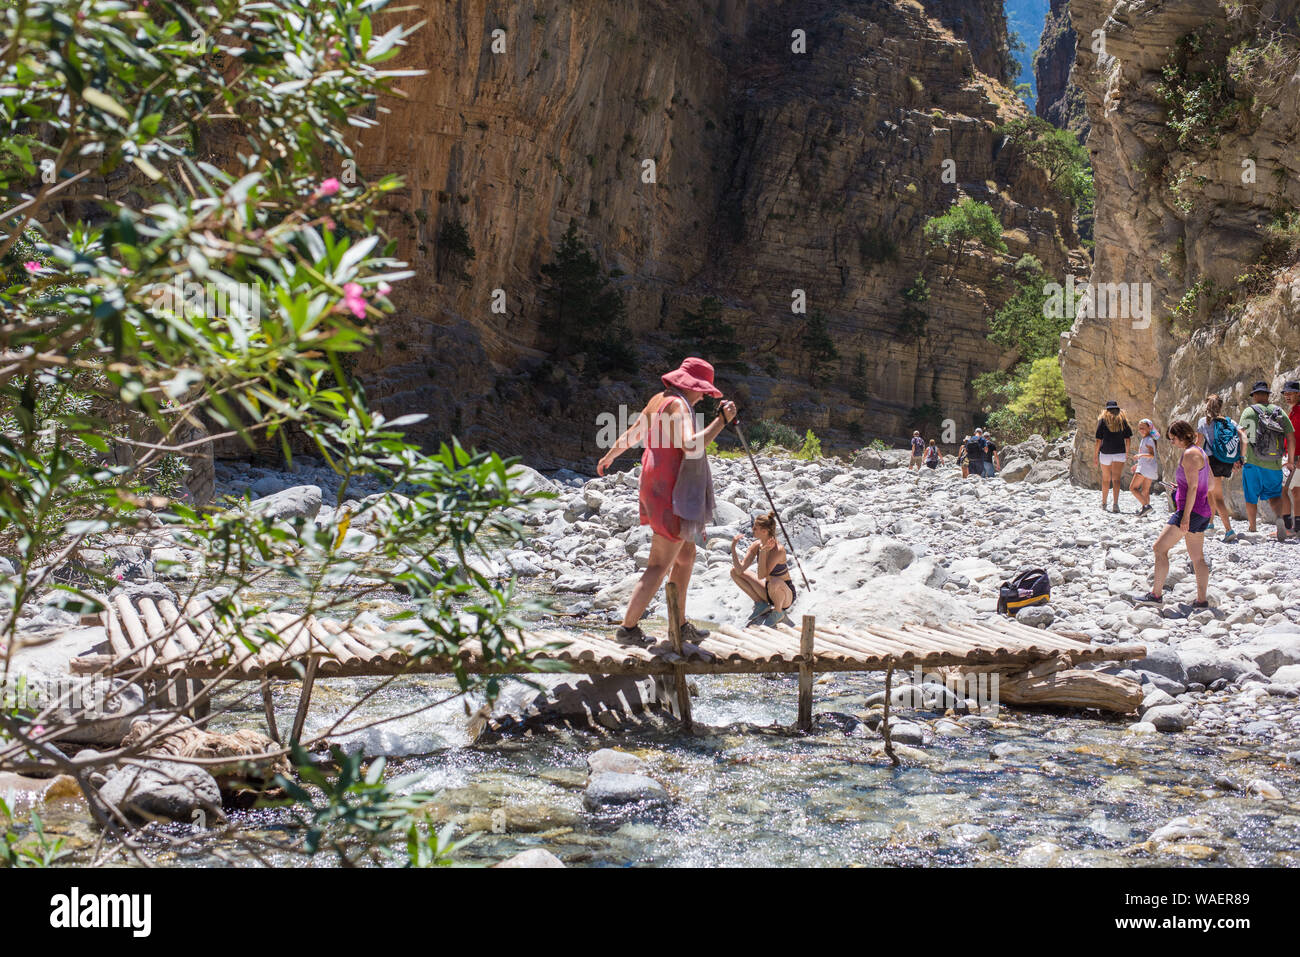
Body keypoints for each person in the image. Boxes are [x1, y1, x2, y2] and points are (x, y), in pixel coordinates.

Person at [596, 357, 737, 644]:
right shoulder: (678, 405)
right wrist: (722, 422)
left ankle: (679, 624)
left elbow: (633, 433)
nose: (703, 397)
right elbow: (691, 444)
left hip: (653, 485)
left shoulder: (659, 399)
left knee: (686, 556)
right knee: (659, 564)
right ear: (693, 387)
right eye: (703, 391)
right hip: (671, 493)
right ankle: (628, 629)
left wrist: (610, 455)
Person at [1137, 420, 1210, 608]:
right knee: (1198, 558)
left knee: (1159, 548)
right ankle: (1201, 600)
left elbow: (1194, 487)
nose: (1172, 443)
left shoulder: (1190, 454)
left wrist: (1185, 517)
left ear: (1181, 436)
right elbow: (1203, 483)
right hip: (1201, 510)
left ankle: (1156, 595)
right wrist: (1179, 487)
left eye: (1172, 439)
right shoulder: (1200, 452)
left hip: (1189, 511)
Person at [1237, 380, 1296, 541]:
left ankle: (1252, 527)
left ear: (1255, 396)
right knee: (1275, 495)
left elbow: (1244, 437)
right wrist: (1290, 460)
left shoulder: (1248, 412)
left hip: (1253, 462)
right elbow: (1291, 437)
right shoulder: (1279, 412)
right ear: (1268, 395)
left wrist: (1241, 457)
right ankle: (1279, 518)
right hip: (1274, 463)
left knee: (1251, 496)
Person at [730, 512, 796, 624]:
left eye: (755, 528)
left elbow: (761, 575)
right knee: (734, 572)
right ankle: (761, 604)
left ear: (764, 531)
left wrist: (763, 552)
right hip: (769, 591)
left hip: (784, 596)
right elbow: (740, 569)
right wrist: (733, 547)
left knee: (774, 581)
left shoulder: (778, 550)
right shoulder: (756, 545)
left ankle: (778, 612)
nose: (752, 529)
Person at [1195, 393, 1242, 541]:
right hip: (1225, 461)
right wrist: (1239, 457)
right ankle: (1210, 523)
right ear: (1221, 406)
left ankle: (1229, 530)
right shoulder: (1228, 421)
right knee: (1210, 492)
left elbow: (1198, 442)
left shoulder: (1203, 421)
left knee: (1218, 497)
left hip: (1211, 462)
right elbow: (1242, 436)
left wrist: (1188, 455)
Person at [1094, 400, 1132, 513]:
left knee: (1106, 479)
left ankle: (1104, 503)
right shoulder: (1122, 421)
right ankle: (1115, 504)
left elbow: (1098, 440)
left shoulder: (1102, 421)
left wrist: (1095, 456)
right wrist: (1127, 453)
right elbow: (1128, 439)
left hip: (1105, 453)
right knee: (1116, 479)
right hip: (1119, 453)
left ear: (1106, 410)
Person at [1281, 380, 1300, 537]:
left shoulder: (1298, 412)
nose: (1287, 396)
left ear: (1298, 394)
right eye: (1285, 393)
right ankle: (1297, 528)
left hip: (1295, 458)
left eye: (1290, 393)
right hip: (1294, 456)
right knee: (1296, 492)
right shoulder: (1294, 411)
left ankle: (1288, 528)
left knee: (1282, 490)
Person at [1130, 418, 1159, 515]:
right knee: (1145, 491)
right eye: (1139, 428)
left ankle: (1146, 506)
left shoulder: (1148, 439)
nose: (1141, 430)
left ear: (1149, 428)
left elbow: (1151, 455)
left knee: (1133, 488)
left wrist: (1140, 455)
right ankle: (1145, 511)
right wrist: (1137, 463)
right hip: (1149, 468)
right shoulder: (1148, 439)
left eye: (1143, 427)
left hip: (1145, 468)